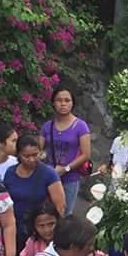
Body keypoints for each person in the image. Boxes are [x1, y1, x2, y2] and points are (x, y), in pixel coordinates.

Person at [3, 134, 66, 256]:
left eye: (35, 155)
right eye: (26, 156)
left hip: (40, 231)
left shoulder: (48, 174)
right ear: (18, 155)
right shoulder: (10, 173)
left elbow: (60, 206)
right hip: (15, 229)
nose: (31, 159)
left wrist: (51, 233)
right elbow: (4, 202)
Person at [39, 85, 91, 216]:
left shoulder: (80, 126)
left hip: (70, 178)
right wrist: (42, 157)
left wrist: (65, 169)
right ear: (53, 103)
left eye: (67, 100)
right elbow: (38, 150)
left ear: (72, 103)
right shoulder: (47, 126)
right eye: (59, 100)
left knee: (65, 214)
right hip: (48, 177)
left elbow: (86, 154)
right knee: (46, 212)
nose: (63, 104)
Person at [18, 202, 108, 256]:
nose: (47, 230)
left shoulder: (68, 238)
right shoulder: (33, 242)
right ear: (34, 226)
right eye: (41, 226)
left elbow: (91, 253)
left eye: (51, 224)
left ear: (58, 221)